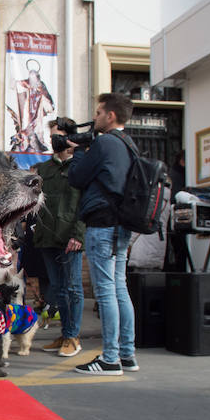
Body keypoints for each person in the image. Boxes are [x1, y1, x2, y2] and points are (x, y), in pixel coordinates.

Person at [68, 92, 139, 376]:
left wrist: (77, 152)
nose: (95, 117)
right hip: (122, 225)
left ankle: (110, 358)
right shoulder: (128, 144)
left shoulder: (105, 143)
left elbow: (77, 178)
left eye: (98, 113)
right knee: (120, 288)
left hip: (102, 224)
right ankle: (127, 354)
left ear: (110, 116)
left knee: (106, 290)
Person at [35, 117, 86, 357]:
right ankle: (65, 333)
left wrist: (78, 234)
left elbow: (85, 205)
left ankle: (73, 337)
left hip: (70, 238)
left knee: (74, 288)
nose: (53, 140)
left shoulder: (81, 165)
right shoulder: (45, 169)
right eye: (52, 135)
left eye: (58, 135)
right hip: (47, 237)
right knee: (58, 289)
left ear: (70, 137)